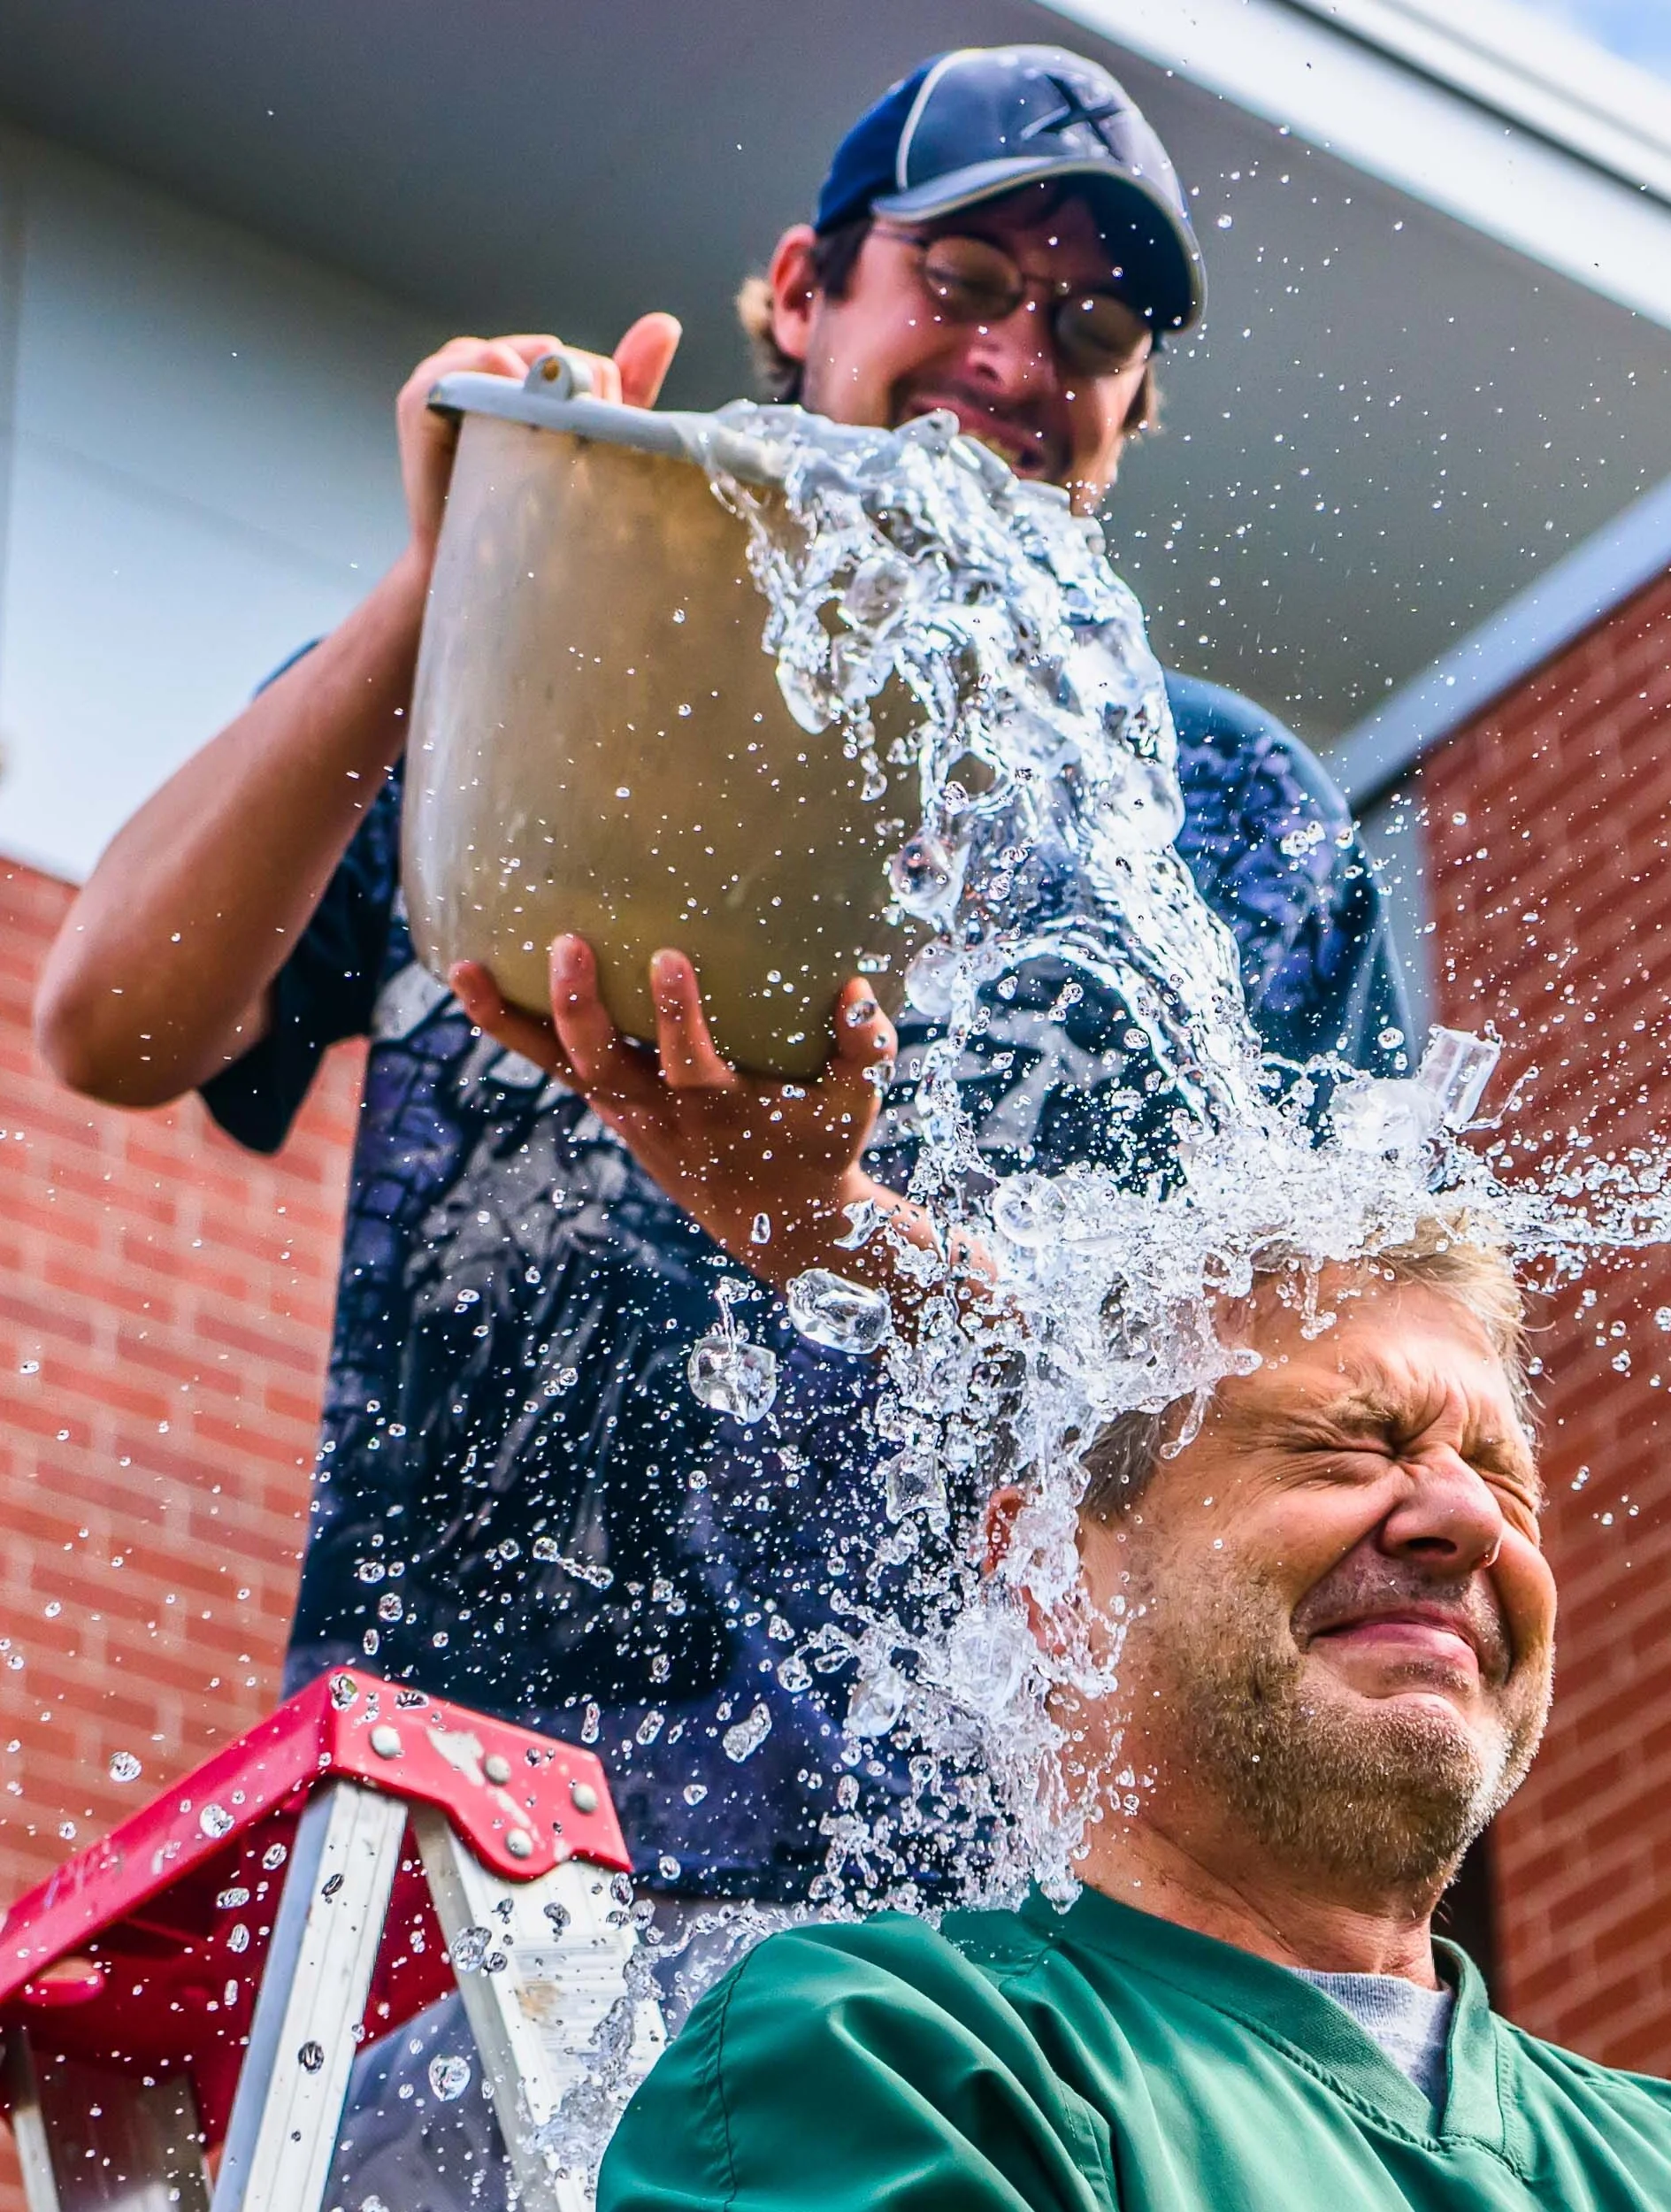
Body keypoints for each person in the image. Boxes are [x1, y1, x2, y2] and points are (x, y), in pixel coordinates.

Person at [34, 40, 1410, 2191]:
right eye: (963, 280)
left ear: (1137, 403)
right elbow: (115, 1016)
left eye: (1091, 326)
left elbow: (1318, 1380)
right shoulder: (563, 629)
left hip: (996, 1923)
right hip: (485, 1879)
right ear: (799, 290)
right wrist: (450, 572)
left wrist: (833, 1220)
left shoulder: (1223, 810)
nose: (1017, 357)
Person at [600, 1235, 1671, 2212]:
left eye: (1501, 1475)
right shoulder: (898, 2063)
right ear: (1053, 1570)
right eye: (1349, 1445)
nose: (1467, 1522)